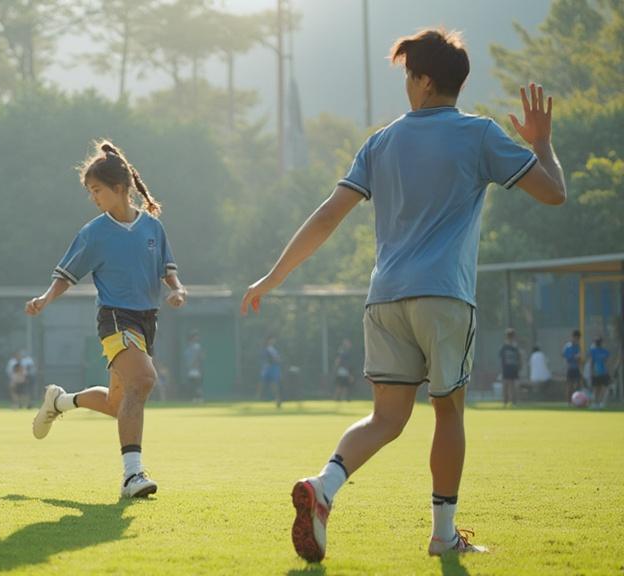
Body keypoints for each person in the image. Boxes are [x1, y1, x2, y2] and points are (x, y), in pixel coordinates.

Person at [240, 29, 565, 561]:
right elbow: (554, 194)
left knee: (386, 419)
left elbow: (327, 215)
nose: (406, 85)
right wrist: (542, 141)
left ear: (426, 81)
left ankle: (324, 486)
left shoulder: (380, 142)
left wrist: (272, 277)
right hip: (444, 297)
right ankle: (443, 534)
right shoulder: (480, 135)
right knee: (448, 412)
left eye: (409, 75)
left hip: (385, 299)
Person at [25, 140, 186, 498]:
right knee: (143, 380)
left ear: (120, 188)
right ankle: (132, 475)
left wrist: (177, 289)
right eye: (90, 191)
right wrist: (45, 299)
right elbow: (66, 275)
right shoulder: (93, 232)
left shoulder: (152, 228)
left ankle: (60, 402)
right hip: (115, 318)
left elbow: (168, 270)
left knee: (119, 403)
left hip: (147, 321)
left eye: (96, 190)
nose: (93, 197)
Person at [257, 335, 284, 408]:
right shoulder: (266, 349)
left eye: (273, 339)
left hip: (274, 368)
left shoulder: (274, 349)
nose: (273, 341)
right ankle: (257, 398)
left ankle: (277, 400)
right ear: (268, 340)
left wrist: (278, 360)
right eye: (271, 339)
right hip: (267, 368)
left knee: (274, 384)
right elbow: (270, 358)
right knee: (262, 383)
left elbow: (277, 358)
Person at [499, 328, 523, 407]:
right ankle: (505, 402)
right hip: (507, 368)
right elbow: (501, 357)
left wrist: (520, 365)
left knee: (513, 386)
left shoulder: (515, 347)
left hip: (514, 368)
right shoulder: (504, 346)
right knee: (506, 385)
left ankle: (513, 402)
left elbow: (519, 357)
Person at [590, 337, 611, 409]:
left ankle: (601, 403)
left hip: (604, 372)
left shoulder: (605, 351)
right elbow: (592, 362)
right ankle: (596, 403)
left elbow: (607, 362)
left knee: (603, 388)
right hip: (596, 372)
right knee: (597, 389)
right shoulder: (593, 351)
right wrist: (592, 372)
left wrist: (608, 371)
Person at [563, 329, 583, 405]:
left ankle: (577, 401)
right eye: (576, 338)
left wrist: (579, 360)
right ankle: (569, 402)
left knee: (578, 385)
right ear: (573, 337)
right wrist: (574, 357)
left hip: (577, 368)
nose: (577, 340)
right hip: (570, 368)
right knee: (570, 386)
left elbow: (579, 359)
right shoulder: (568, 346)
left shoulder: (578, 347)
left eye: (578, 338)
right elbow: (566, 357)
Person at [183, 330, 205, 403]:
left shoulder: (197, 346)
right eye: (195, 336)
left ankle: (199, 398)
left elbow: (201, 357)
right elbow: (187, 358)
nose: (197, 338)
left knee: (197, 384)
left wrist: (196, 363)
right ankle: (195, 398)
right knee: (193, 385)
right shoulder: (190, 347)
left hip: (196, 369)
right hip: (191, 369)